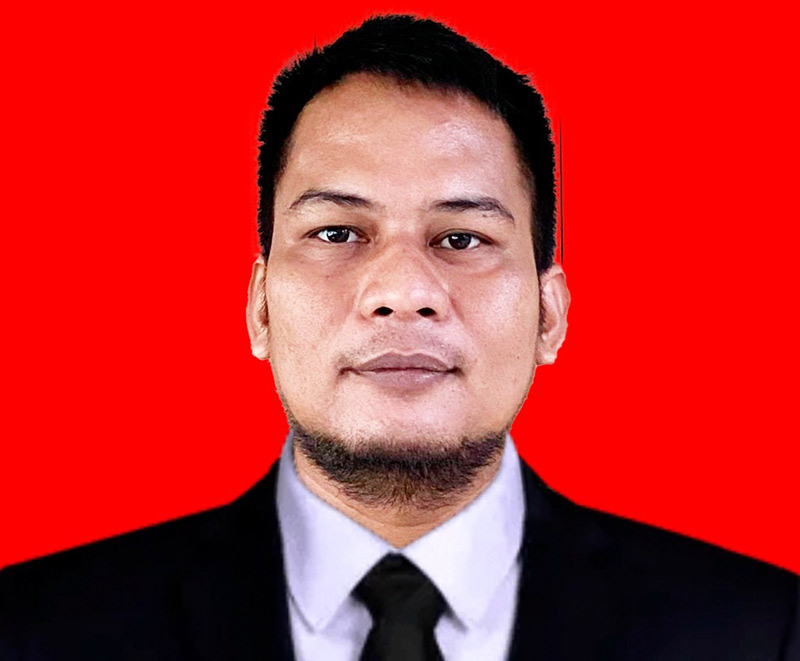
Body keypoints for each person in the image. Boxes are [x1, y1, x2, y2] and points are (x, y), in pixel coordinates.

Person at [0, 13, 797, 661]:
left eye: (461, 238)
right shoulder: (35, 631)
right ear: (260, 307)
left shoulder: (759, 633)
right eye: (338, 232)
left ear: (550, 315)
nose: (403, 292)